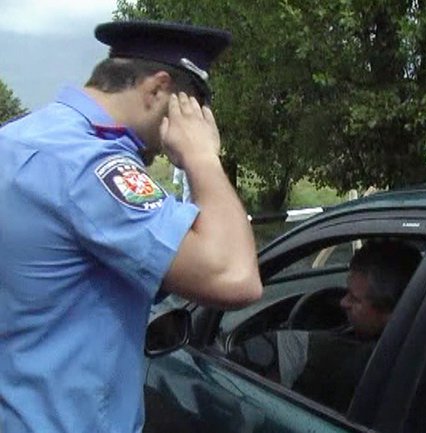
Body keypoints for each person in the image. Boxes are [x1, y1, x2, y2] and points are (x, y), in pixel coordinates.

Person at [0, 20, 262, 433]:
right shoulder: (91, 166)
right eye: (185, 112)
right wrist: (203, 158)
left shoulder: (18, 138)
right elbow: (234, 276)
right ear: (157, 90)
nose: (169, 139)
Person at [231, 239, 422, 412]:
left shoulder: (348, 358)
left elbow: (261, 353)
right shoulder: (424, 344)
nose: (343, 303)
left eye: (355, 299)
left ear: (391, 313)